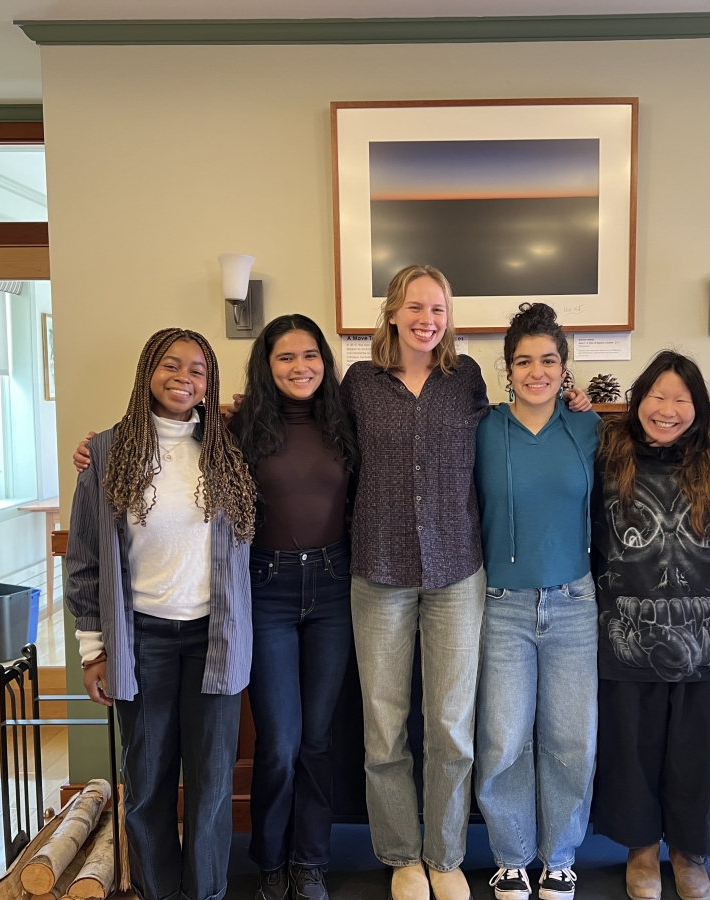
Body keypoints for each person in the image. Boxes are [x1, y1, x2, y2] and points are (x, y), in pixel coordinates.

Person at [340, 265, 590, 900]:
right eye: (416, 306)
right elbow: (323, 447)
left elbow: (521, 429)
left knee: (451, 724)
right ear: (393, 311)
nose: (428, 319)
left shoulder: (466, 381)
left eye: (439, 309)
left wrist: (579, 400)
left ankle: (446, 853)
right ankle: (401, 855)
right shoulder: (360, 384)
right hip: (380, 569)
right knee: (384, 723)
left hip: (457, 571)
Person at [66, 327, 258, 900]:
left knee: (211, 784)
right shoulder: (104, 453)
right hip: (140, 639)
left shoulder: (228, 449)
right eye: (171, 365)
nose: (184, 377)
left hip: (215, 638)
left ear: (209, 383)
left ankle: (205, 893)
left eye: (198, 369)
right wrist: (92, 649)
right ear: (148, 371)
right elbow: (84, 563)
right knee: (147, 783)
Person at [590, 350, 710, 900]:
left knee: (692, 749)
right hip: (625, 625)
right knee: (631, 747)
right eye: (658, 396)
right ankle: (642, 851)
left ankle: (688, 852)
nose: (669, 409)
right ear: (638, 398)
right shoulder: (605, 452)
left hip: (704, 629)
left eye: (682, 399)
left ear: (698, 408)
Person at [228, 315, 358, 900]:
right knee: (278, 742)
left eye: (310, 355)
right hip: (266, 589)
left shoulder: (345, 423)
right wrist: (93, 452)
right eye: (285, 357)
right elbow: (166, 436)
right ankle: (270, 859)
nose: (300, 367)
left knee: (317, 740)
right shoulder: (237, 428)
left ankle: (310, 862)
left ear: (324, 363)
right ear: (266, 365)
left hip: (334, 586)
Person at [472, 304, 600, 900]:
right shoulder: (483, 427)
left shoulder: (588, 428)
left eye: (548, 359)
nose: (536, 371)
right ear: (508, 368)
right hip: (502, 604)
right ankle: (511, 855)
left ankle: (560, 856)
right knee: (503, 737)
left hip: (574, 602)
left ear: (564, 368)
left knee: (572, 738)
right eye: (523, 360)